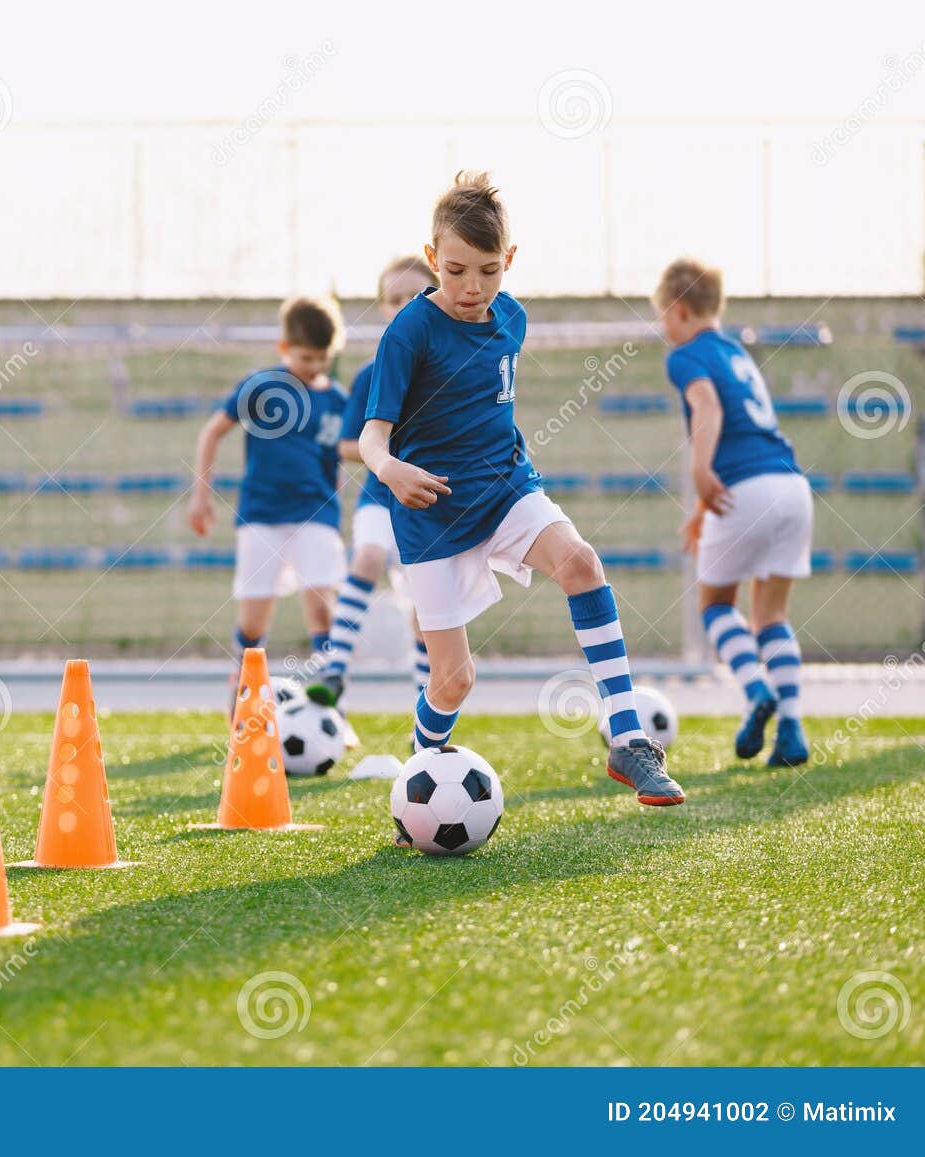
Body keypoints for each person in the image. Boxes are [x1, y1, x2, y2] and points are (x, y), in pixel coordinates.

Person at [358, 172, 684, 806]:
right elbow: (374, 439)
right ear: (432, 259)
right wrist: (392, 470)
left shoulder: (513, 318)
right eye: (455, 271)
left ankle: (627, 738)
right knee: (453, 681)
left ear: (509, 262)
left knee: (581, 561)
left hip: (508, 488)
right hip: (432, 517)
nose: (472, 288)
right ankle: (417, 785)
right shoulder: (409, 331)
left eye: (487, 271)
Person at [655, 257, 811, 765]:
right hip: (791, 486)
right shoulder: (736, 352)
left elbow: (708, 407)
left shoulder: (685, 355)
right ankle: (791, 730)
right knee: (772, 614)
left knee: (717, 606)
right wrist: (704, 505)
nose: (662, 327)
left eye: (661, 315)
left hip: (742, 489)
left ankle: (757, 690)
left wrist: (702, 473)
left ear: (678, 311)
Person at [189, 297, 349, 701]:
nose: (314, 366)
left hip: (316, 514)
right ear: (285, 349)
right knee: (254, 622)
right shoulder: (262, 386)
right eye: (305, 357)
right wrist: (201, 498)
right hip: (262, 515)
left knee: (322, 610)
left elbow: (340, 459)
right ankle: (241, 701)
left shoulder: (338, 401)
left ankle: (330, 705)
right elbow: (212, 433)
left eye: (322, 358)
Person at [309, 256, 436, 711]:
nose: (404, 306)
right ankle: (335, 668)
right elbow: (346, 445)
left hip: (430, 506)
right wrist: (385, 453)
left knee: (426, 608)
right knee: (367, 556)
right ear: (383, 308)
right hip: (382, 499)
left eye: (416, 296)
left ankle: (427, 706)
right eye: (394, 299)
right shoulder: (372, 372)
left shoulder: (450, 369)